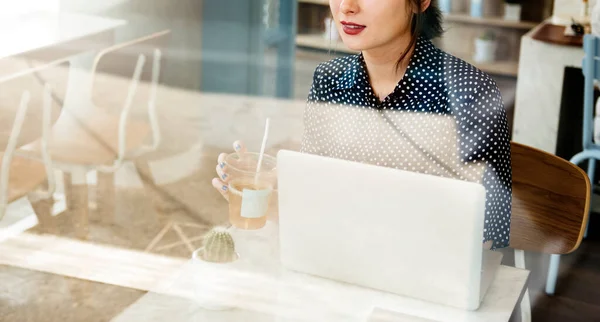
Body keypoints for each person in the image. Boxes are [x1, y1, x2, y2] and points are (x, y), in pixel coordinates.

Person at [212, 0, 512, 250]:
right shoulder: (329, 80)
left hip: (423, 273)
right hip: (340, 257)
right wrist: (278, 192)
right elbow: (317, 190)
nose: (346, 7)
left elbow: (490, 231)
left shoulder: (469, 91)